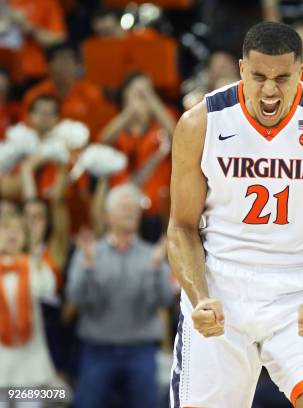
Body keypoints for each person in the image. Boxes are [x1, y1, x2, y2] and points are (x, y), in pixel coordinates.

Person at [167, 22, 303, 408]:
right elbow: (181, 227)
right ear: (241, 69)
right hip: (221, 284)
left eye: (282, 77)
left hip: (299, 287)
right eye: (258, 76)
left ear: (301, 72)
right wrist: (199, 297)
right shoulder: (200, 123)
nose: (270, 89)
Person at [66, 183, 175, 408]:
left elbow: (165, 300)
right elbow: (75, 297)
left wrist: (155, 271)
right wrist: (88, 268)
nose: (131, 212)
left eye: (134, 208)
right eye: (124, 207)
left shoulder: (151, 254)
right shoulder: (89, 252)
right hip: (97, 349)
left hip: (141, 351)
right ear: (107, 215)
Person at [102, 72, 176, 242]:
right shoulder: (119, 127)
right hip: (123, 210)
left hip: (157, 213)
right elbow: (104, 141)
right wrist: (129, 112)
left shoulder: (161, 125)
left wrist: (151, 100)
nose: (142, 98)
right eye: (135, 92)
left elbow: (176, 135)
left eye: (147, 92)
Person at [0, 212, 57, 400]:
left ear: (25, 236)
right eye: (6, 228)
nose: (12, 234)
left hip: (30, 358)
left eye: (17, 229)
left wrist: (37, 257)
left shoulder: (32, 265)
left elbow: (47, 288)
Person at [22, 43, 114, 136]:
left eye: (70, 60)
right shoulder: (34, 96)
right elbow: (27, 129)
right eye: (60, 60)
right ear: (48, 65)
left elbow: (101, 129)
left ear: (76, 65)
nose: (65, 65)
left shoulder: (92, 93)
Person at [2, 0, 66, 82]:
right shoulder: (7, 3)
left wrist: (29, 28)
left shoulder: (46, 2)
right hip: (9, 72)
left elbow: (59, 39)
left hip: (37, 71)